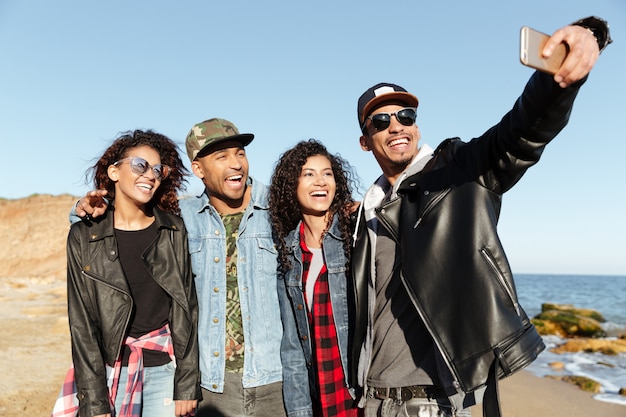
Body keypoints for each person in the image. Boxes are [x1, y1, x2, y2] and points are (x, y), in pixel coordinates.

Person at [350, 17, 611, 417]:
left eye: (406, 116)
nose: (397, 126)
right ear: (366, 142)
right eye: (381, 121)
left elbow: (521, 133)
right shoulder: (366, 213)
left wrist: (575, 54)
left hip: (432, 401)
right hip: (371, 399)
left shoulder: (459, 169)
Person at [72, 118, 286, 417]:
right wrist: (83, 209)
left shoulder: (279, 207)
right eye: (221, 157)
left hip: (273, 380)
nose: (236, 164)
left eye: (240, 153)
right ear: (198, 169)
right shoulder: (184, 217)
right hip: (212, 383)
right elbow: (119, 226)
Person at [55, 130, 200, 417]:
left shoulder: (173, 230)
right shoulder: (84, 237)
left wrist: (186, 384)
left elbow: (186, 309)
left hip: (163, 371)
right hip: (109, 372)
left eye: (158, 169)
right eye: (139, 165)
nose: (150, 175)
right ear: (114, 172)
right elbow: (82, 325)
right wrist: (94, 401)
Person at [268, 140, 360, 417]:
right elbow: (293, 346)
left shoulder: (357, 235)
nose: (320, 182)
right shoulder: (289, 252)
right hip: (320, 397)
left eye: (327, 173)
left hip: (362, 395)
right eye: (308, 174)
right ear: (291, 186)